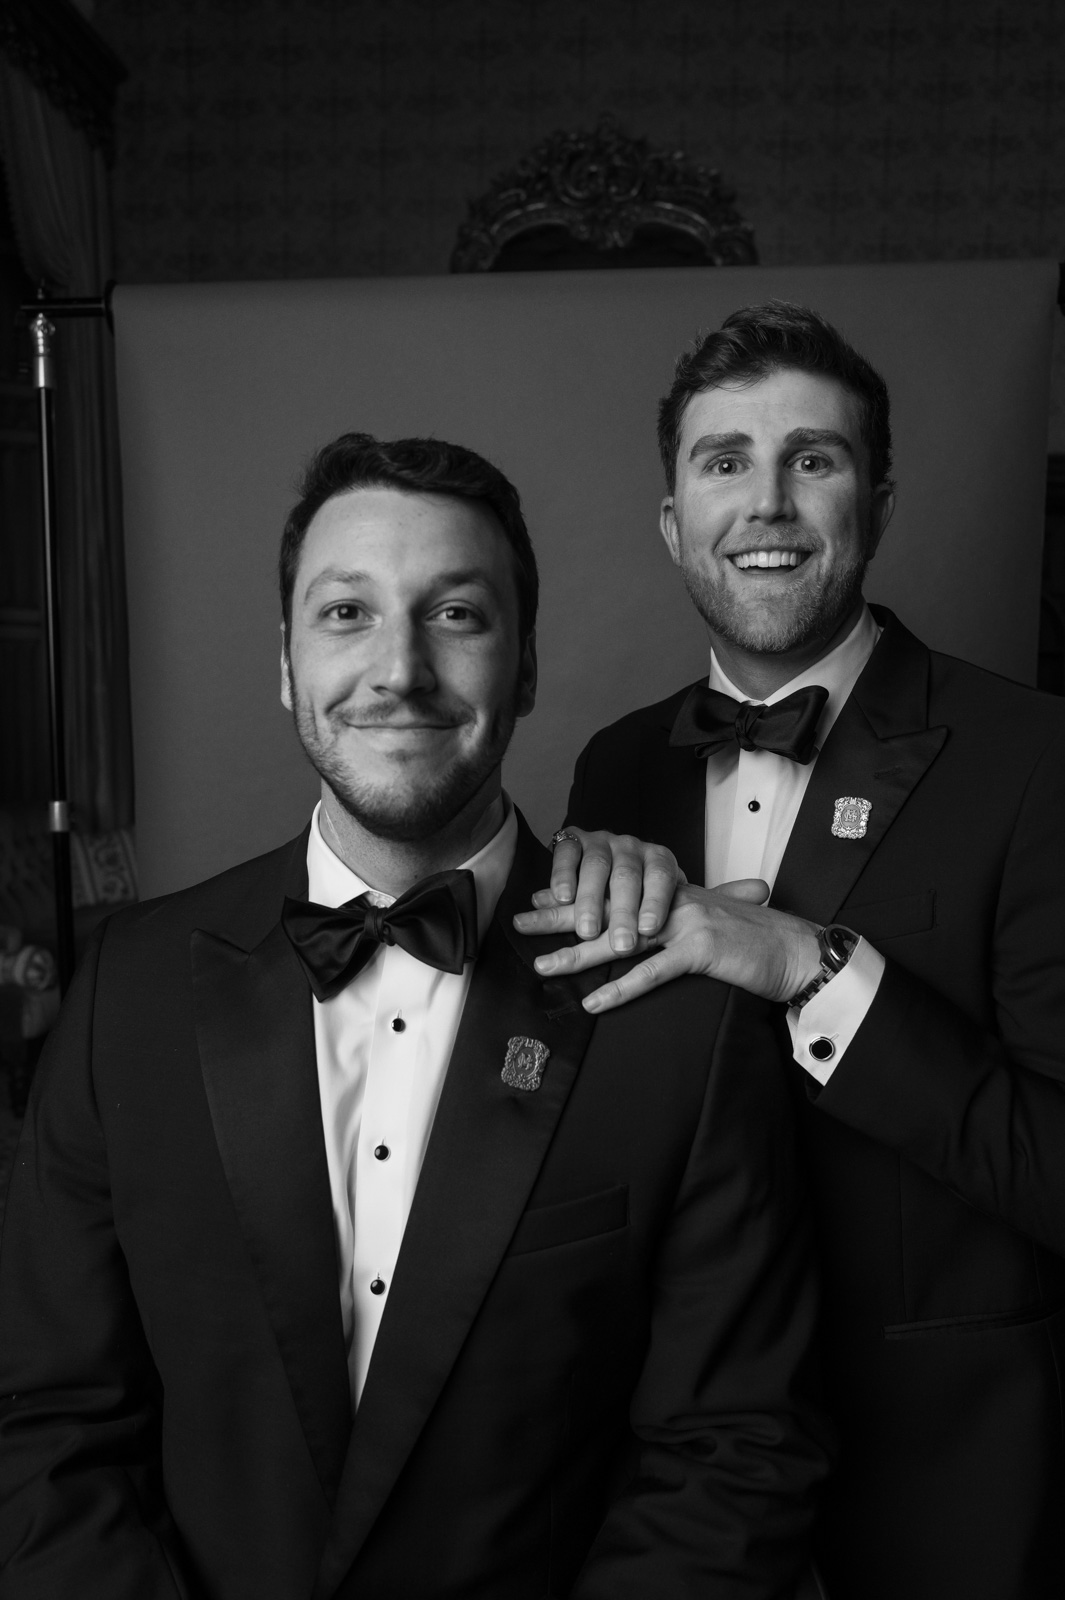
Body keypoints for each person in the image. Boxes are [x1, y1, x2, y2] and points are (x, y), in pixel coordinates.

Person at [0, 432, 831, 1599]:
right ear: (286, 663)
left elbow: (733, 1453)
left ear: (525, 667)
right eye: (346, 614)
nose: (398, 669)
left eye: (455, 614)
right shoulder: (125, 993)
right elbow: (44, 1419)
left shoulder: (675, 1013)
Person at [514, 303, 1065, 1599]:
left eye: (812, 459)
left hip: (952, 1483)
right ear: (674, 521)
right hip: (673, 1483)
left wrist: (814, 968)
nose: (765, 503)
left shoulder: (1037, 758)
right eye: (725, 463)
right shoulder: (617, 766)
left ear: (877, 502)